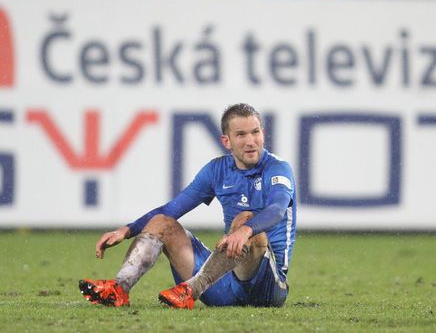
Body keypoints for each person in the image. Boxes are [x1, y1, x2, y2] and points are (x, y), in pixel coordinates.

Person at [78, 103, 296, 309]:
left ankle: (190, 290)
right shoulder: (216, 170)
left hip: (267, 288)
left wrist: (246, 230)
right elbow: (173, 208)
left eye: (255, 132)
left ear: (263, 133)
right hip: (222, 283)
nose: (251, 141)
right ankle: (119, 289)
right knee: (162, 223)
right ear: (226, 141)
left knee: (245, 219)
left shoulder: (278, 169)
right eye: (241, 134)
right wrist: (126, 230)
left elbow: (277, 209)